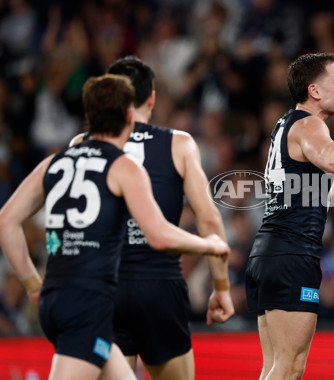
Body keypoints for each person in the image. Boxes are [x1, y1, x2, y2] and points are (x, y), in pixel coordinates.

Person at [0, 74, 228, 380]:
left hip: (56, 298)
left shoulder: (54, 162)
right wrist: (210, 245)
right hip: (87, 302)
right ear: (129, 115)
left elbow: (5, 221)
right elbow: (159, 235)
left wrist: (32, 284)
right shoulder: (122, 166)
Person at [69, 56, 234, 380]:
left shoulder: (80, 144)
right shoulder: (179, 143)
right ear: (152, 98)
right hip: (158, 286)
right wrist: (221, 287)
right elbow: (209, 219)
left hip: (104, 287)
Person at [245, 52, 334, 380]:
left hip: (269, 254)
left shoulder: (286, 125)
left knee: (275, 366)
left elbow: (306, 189)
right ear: (315, 91)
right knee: (289, 368)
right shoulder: (309, 125)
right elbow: (332, 159)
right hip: (292, 255)